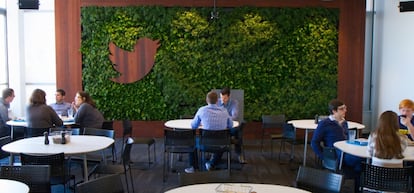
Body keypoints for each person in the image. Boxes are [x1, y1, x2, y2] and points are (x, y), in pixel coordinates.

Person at [311, 99, 363, 192]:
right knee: (361, 161)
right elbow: (314, 142)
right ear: (334, 111)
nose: (345, 110)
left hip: (347, 152)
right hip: (335, 154)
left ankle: (355, 186)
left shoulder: (344, 122)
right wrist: (324, 157)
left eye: (345, 108)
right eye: (342, 109)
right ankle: (357, 187)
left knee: (361, 164)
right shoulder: (325, 123)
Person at [184, 91, 233, 173]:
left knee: (191, 142)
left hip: (205, 144)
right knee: (221, 140)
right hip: (222, 144)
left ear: (207, 100)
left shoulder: (202, 110)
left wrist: (201, 123)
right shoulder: (224, 111)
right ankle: (212, 164)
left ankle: (194, 167)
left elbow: (193, 126)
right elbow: (230, 125)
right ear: (217, 101)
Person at [218, 87, 245, 163]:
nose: (223, 100)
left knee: (237, 130)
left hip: (230, 126)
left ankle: (239, 154)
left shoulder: (234, 102)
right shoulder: (217, 102)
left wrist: (222, 117)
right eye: (221, 97)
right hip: (219, 127)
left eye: (225, 98)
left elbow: (235, 116)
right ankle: (216, 156)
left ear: (229, 96)